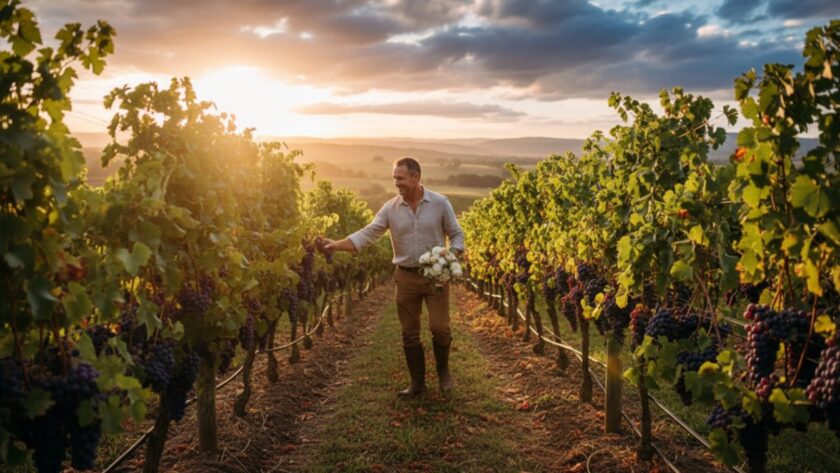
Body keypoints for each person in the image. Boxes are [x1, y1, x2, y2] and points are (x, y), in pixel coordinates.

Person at [322, 157, 465, 397]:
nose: (396, 183)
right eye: (394, 179)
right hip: (406, 277)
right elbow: (367, 233)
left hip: (436, 278)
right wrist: (336, 245)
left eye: (400, 178)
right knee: (409, 332)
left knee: (440, 328)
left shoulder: (440, 203)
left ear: (415, 177)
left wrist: (451, 257)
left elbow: (457, 234)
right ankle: (417, 383)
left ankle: (443, 372)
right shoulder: (390, 208)